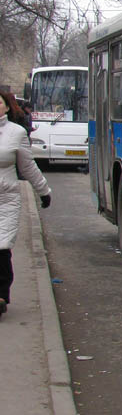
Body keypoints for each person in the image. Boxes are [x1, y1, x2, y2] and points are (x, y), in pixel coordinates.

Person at [0, 90, 52, 319]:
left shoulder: (16, 133)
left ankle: (1, 296)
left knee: (1, 248)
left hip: (6, 198)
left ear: (7, 107)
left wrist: (43, 191)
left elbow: (28, 166)